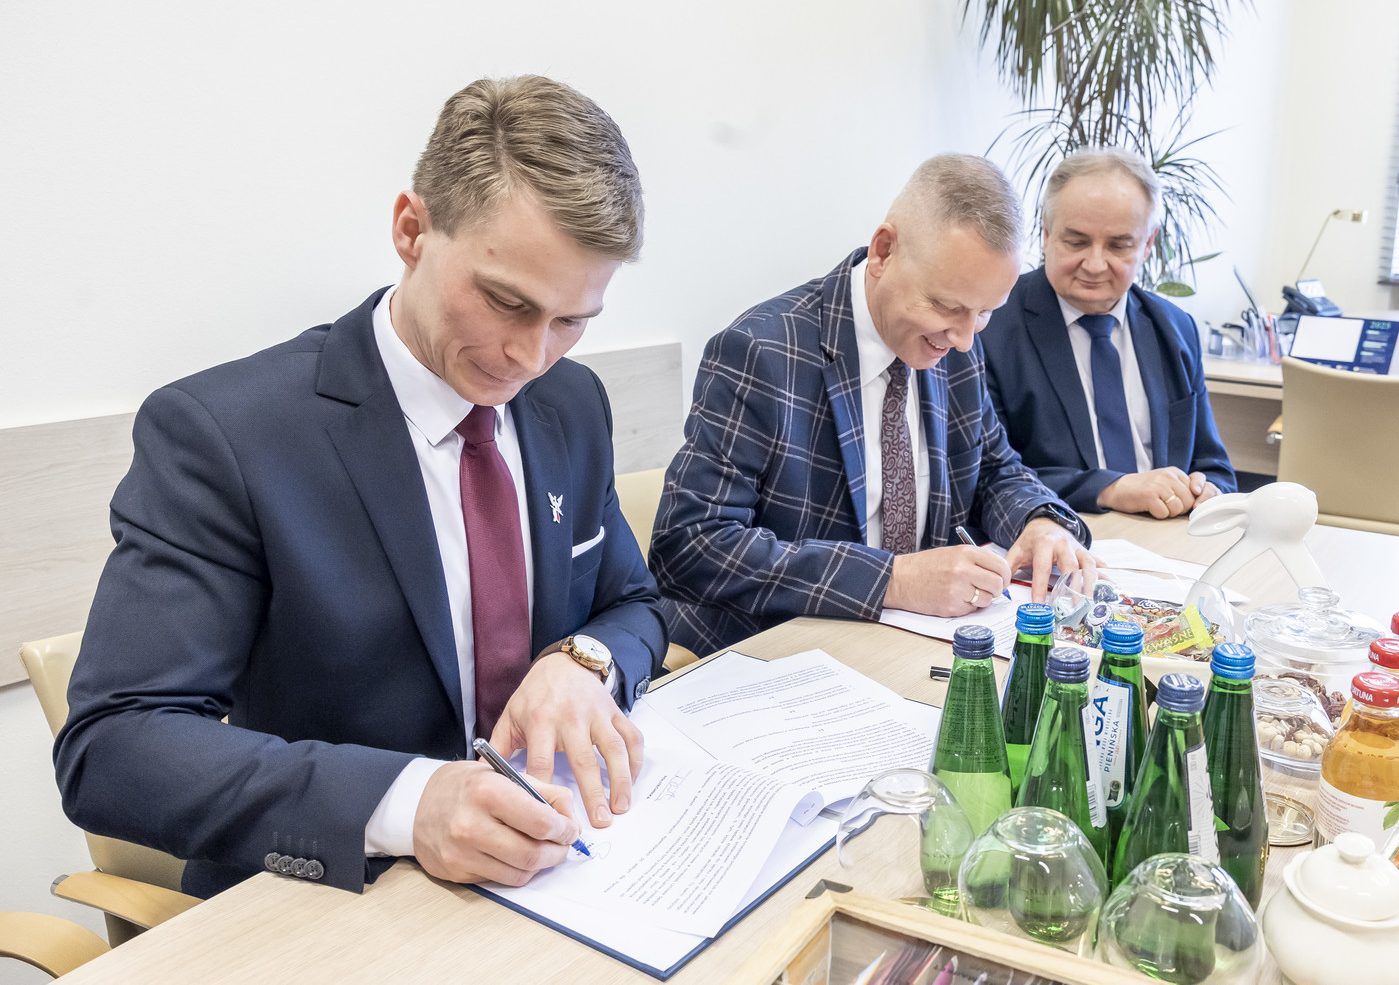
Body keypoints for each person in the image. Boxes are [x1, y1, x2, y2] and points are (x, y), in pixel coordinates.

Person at [54, 76, 667, 899]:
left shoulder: (571, 403)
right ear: (411, 230)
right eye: (504, 302)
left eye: (571, 320)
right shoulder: (227, 434)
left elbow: (635, 604)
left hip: (556, 873)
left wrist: (581, 662)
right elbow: (113, 748)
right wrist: (409, 805)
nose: (531, 357)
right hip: (338, 898)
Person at [650, 155, 1096, 656]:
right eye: (947, 306)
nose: (965, 339)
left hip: (905, 648)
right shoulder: (761, 351)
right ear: (884, 251)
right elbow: (690, 545)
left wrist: (1039, 521)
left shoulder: (956, 345)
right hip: (772, 653)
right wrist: (894, 579)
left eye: (985, 313)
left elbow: (993, 468)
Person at [980, 147, 1236, 518]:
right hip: (1062, 532)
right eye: (1076, 242)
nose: (1095, 264)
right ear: (1046, 234)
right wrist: (1111, 489)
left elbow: (1215, 467)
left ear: (1147, 244)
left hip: (1169, 536)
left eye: (1119, 245)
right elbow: (989, 478)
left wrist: (1206, 489)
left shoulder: (1174, 328)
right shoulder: (989, 327)